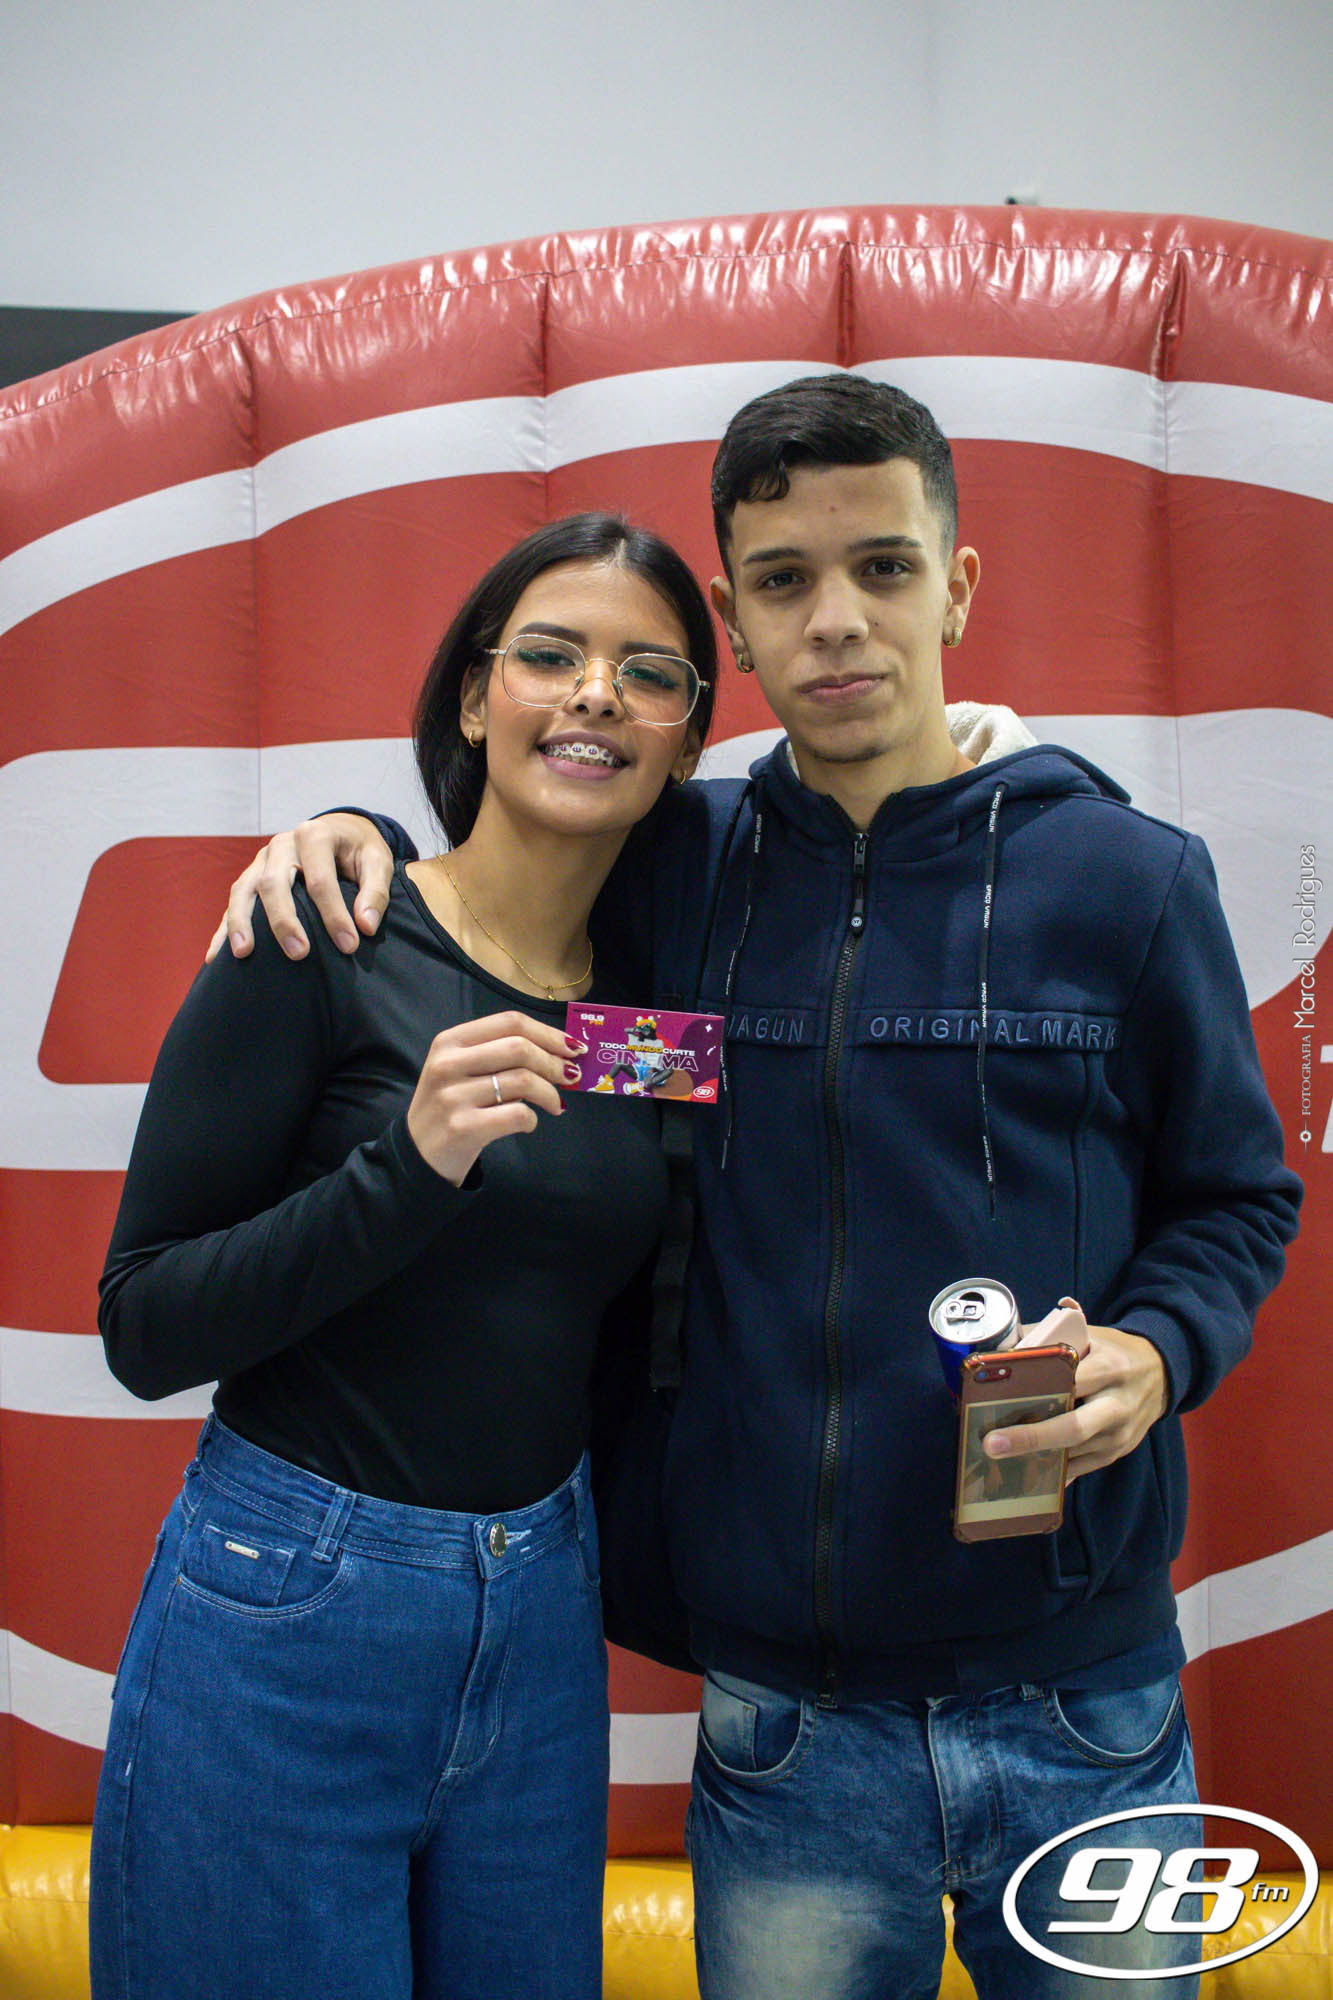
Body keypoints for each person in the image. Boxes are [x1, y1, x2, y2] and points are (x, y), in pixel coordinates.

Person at [214, 376, 1302, 1999]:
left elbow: (1234, 1198)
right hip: (787, 1732)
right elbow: (503, 895)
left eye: (882, 566)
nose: (837, 619)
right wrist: (341, 830)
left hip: (1083, 1699)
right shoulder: (674, 874)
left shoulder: (1125, 881)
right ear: (731, 618)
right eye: (785, 580)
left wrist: (1156, 1349)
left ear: (956, 587)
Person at [89, 511, 718, 2000]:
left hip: (542, 1616)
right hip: (289, 1607)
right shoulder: (328, 927)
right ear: (473, 696)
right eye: (550, 656)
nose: (594, 695)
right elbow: (142, 1322)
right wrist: (408, 1167)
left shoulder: (647, 1021)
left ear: (686, 740)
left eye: (648, 674)